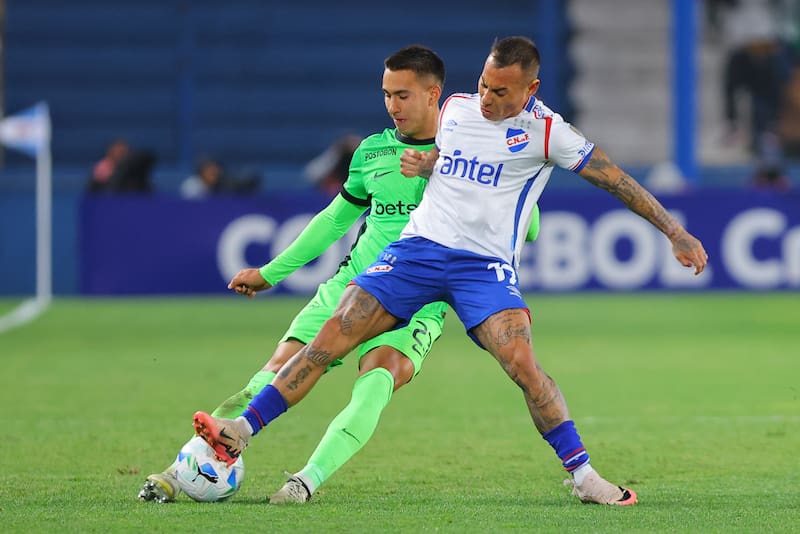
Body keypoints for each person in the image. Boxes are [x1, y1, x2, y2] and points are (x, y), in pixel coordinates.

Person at [194, 36, 709, 506]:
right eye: (484, 84)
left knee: (524, 367)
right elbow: (448, 153)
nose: (486, 98)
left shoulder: (550, 134)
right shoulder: (459, 109)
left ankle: (584, 476)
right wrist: (431, 164)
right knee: (333, 334)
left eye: (501, 92)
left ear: (530, 88)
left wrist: (674, 232)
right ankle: (241, 428)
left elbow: (616, 181)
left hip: (483, 268)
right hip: (417, 251)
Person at [139, 44, 541, 504]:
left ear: (435, 95)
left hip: (421, 297)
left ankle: (305, 480)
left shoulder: (471, 151)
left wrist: (456, 178)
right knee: (270, 374)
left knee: (376, 380)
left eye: (403, 95)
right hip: (351, 287)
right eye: (387, 94)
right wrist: (271, 272)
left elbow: (525, 225)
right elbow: (334, 220)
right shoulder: (372, 152)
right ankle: (178, 471)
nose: (392, 106)